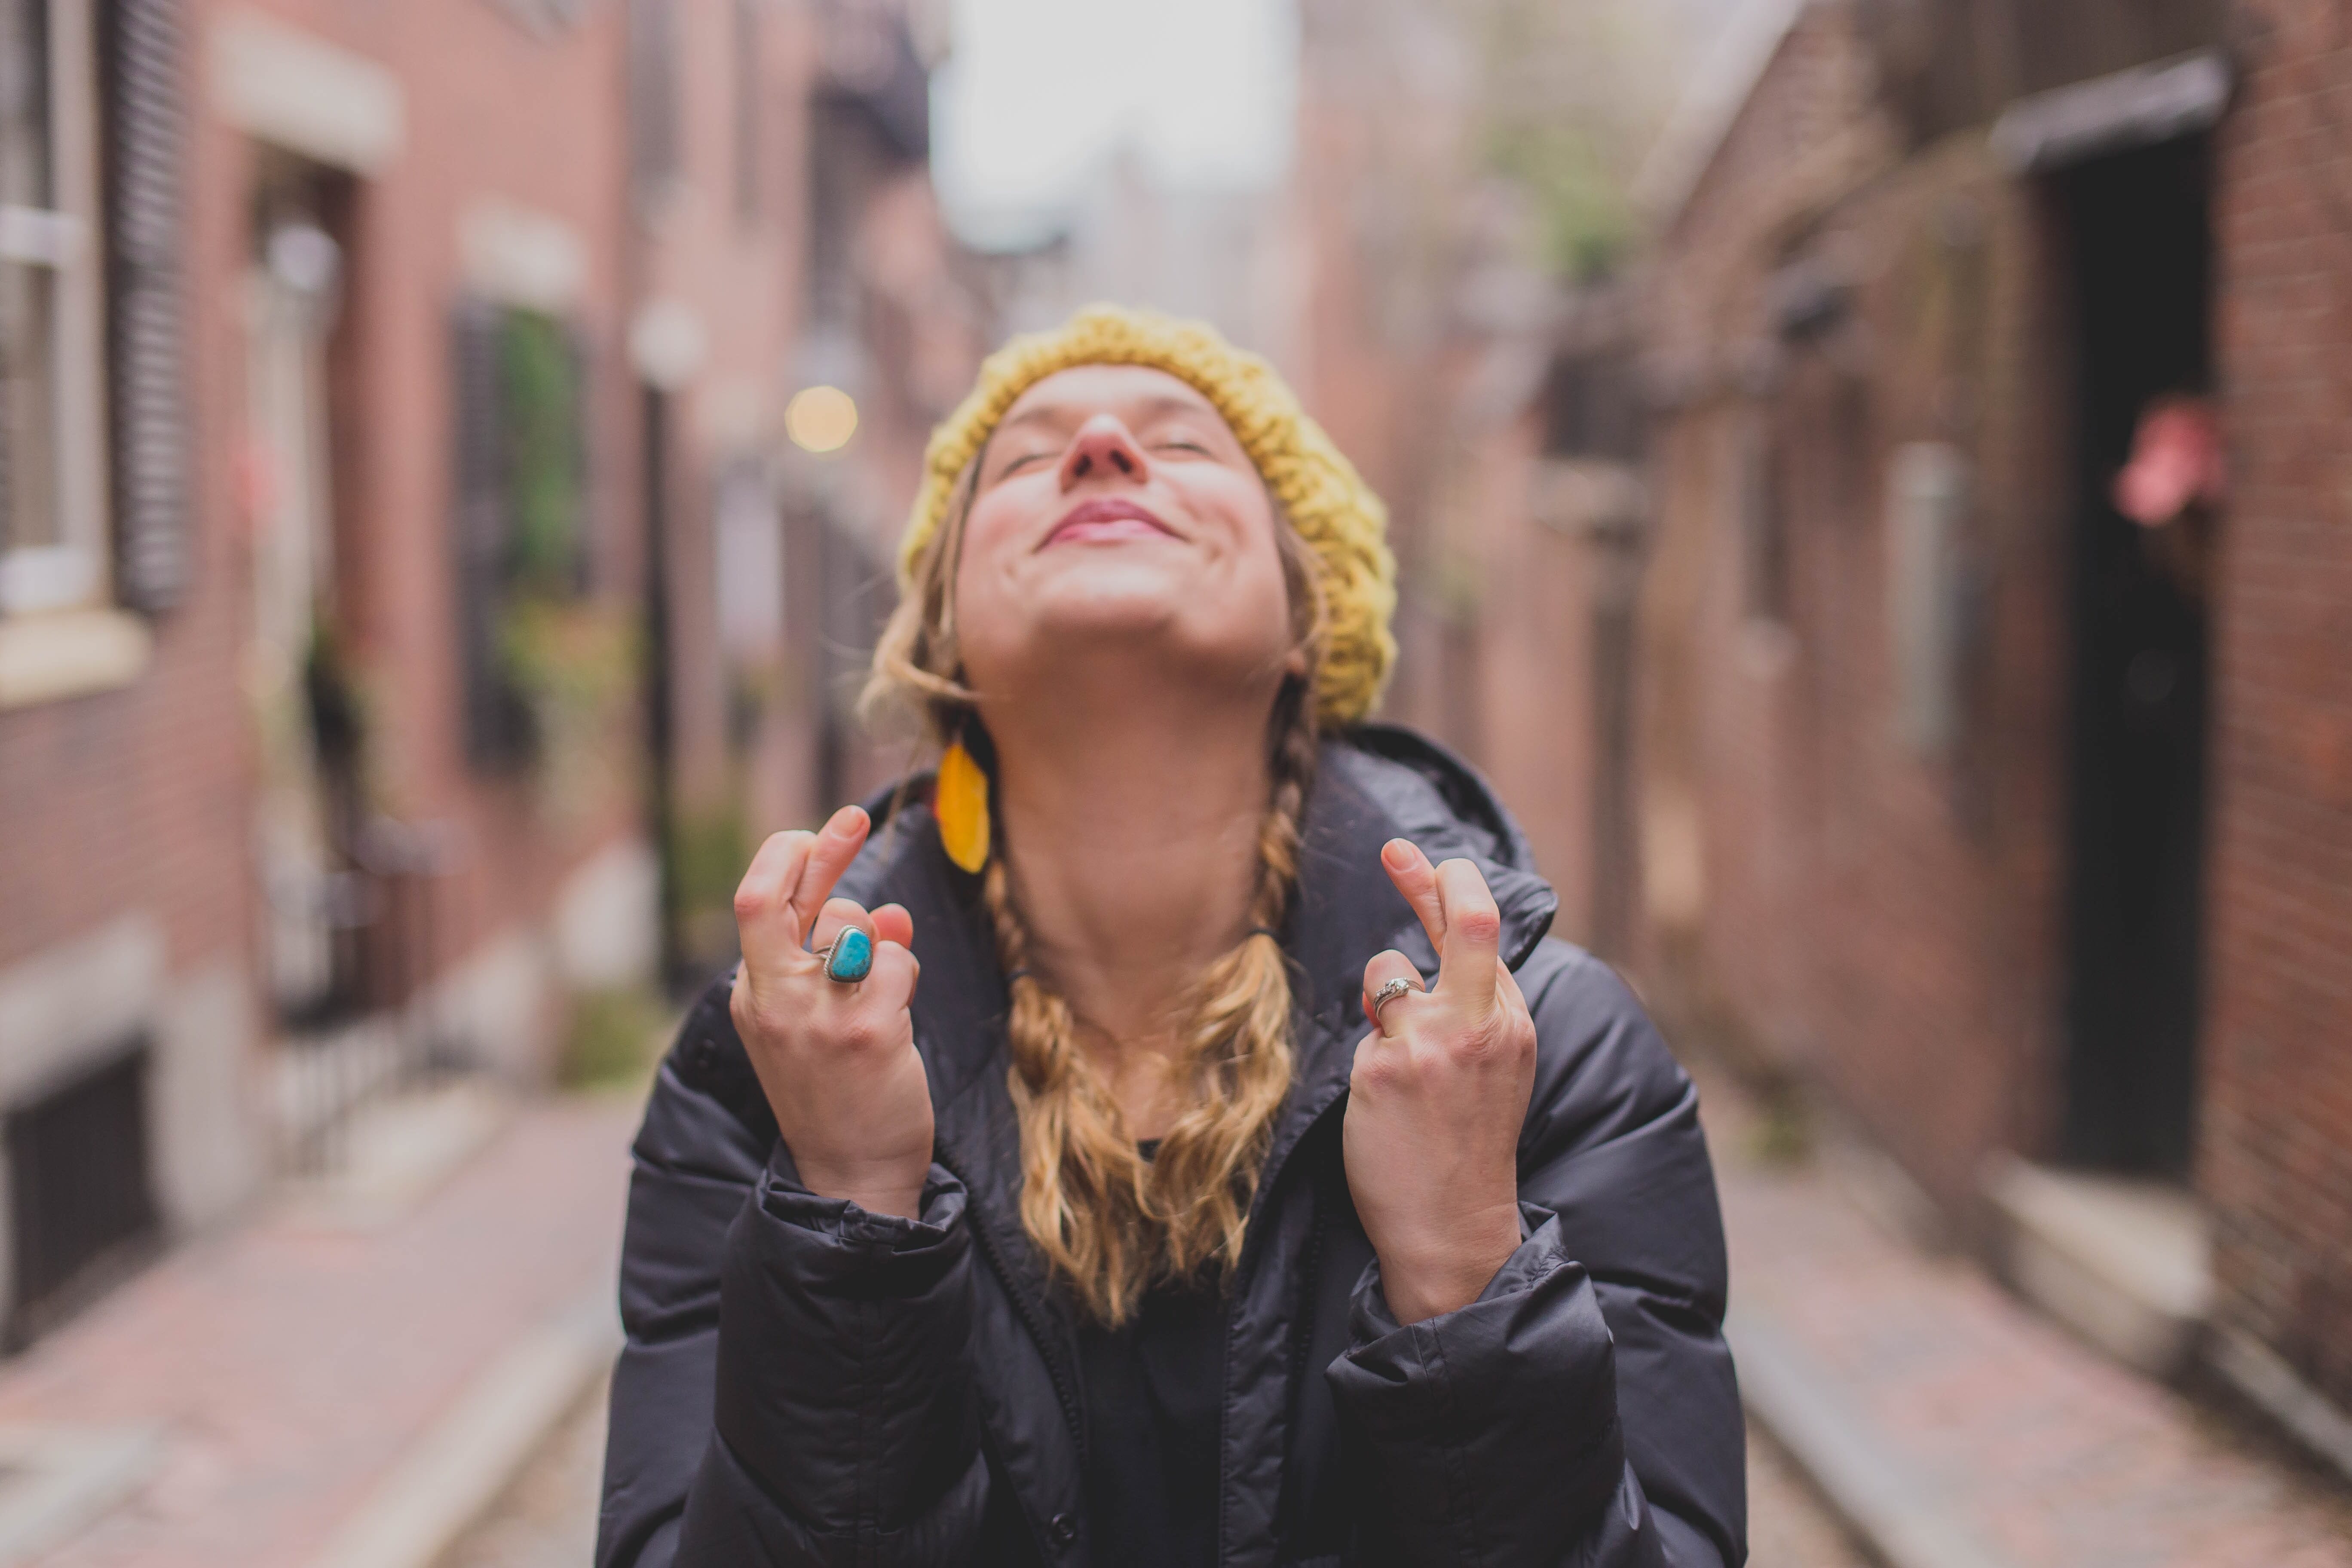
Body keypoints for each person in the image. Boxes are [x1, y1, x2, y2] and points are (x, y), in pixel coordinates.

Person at [597, 306, 1745, 1568]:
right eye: (1025, 459)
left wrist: (1468, 1265)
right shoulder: (760, 1075)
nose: (1097, 443)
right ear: (944, 641)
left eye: (1185, 445)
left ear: (1312, 617)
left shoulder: (1546, 1056)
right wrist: (850, 1215)